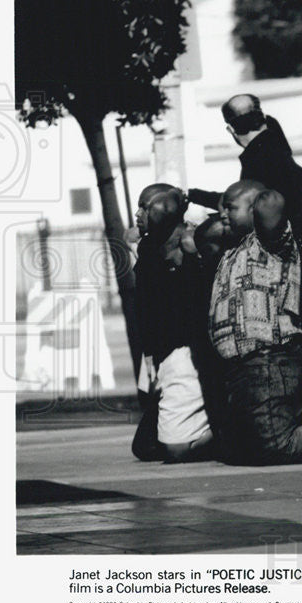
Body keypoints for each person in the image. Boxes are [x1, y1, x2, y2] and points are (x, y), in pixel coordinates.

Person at [208, 179, 302, 465]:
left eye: (229, 207)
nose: (222, 214)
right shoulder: (231, 250)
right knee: (237, 449)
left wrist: (259, 193)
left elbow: (272, 201)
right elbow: (205, 234)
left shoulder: (272, 243)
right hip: (241, 367)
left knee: (275, 444)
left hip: (269, 358)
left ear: (254, 209)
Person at [188, 94, 302, 374]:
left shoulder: (259, 158)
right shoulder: (277, 146)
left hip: (286, 262)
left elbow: (243, 206)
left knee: (292, 334)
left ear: (231, 129)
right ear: (261, 116)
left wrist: (193, 197)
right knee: (299, 331)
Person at [130, 184, 215, 463]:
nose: (138, 213)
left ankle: (228, 433)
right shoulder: (147, 249)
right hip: (163, 354)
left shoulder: (195, 243)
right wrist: (149, 357)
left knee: (173, 449)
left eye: (144, 206)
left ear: (163, 208)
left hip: (190, 353)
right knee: (145, 446)